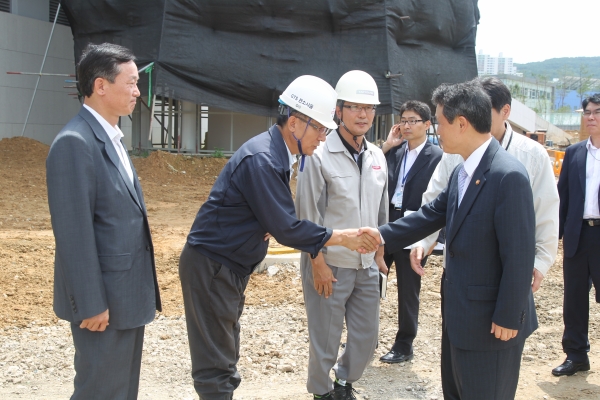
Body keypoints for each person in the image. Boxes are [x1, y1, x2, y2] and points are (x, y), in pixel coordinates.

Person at [179, 75, 381, 400]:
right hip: (213, 268)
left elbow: (276, 219)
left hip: (226, 267)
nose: (323, 136)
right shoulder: (264, 159)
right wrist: (342, 238)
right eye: (319, 128)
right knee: (216, 365)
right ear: (295, 122)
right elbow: (288, 228)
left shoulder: (278, 154)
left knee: (225, 354)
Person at [368, 79, 538, 399]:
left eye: (440, 122)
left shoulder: (507, 175)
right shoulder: (464, 171)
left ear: (462, 123)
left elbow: (519, 254)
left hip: (493, 326)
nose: (436, 130)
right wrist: (379, 234)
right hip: (461, 320)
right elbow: (431, 214)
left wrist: (507, 315)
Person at [408, 77, 559, 395]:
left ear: (502, 112)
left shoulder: (520, 164)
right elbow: (432, 209)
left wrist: (532, 276)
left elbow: (533, 233)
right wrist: (390, 238)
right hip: (461, 304)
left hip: (496, 307)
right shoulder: (458, 160)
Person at [46, 43, 161, 399]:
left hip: (126, 297)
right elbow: (73, 233)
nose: (137, 91)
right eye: (130, 83)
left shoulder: (110, 137)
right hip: (103, 305)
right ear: (100, 86)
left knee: (121, 391)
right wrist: (91, 302)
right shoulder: (74, 143)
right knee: (100, 391)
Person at [295, 70, 388, 400]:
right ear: (338, 110)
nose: (363, 114)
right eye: (355, 107)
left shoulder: (377, 157)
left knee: (366, 336)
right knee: (326, 338)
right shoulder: (317, 156)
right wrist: (317, 263)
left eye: (369, 108)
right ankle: (322, 393)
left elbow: (381, 213)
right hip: (329, 264)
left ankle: (344, 382)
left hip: (366, 265)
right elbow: (307, 216)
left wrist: (379, 254)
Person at [378, 101, 443, 364]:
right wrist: (387, 146)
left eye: (413, 120)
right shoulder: (394, 152)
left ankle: (404, 344)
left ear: (427, 124)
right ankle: (366, 335)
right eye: (403, 119)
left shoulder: (437, 156)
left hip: (415, 225)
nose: (406, 125)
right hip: (388, 222)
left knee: (408, 288)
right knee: (373, 281)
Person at [553, 93, 600, 376]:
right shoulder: (574, 153)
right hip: (578, 235)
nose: (591, 117)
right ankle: (576, 355)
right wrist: (552, 238)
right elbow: (564, 198)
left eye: (597, 112)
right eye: (587, 112)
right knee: (574, 299)